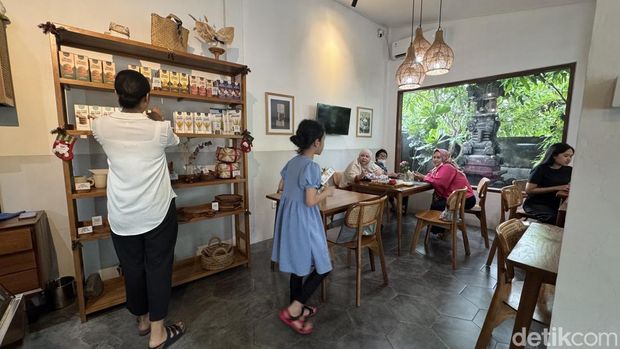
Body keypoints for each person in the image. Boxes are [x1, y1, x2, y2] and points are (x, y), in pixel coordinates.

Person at [91, 70, 185, 349]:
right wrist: (158, 118)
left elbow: (110, 130)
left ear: (116, 95)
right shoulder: (160, 129)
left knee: (132, 269)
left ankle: (142, 321)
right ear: (147, 98)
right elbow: (176, 141)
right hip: (157, 211)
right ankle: (158, 335)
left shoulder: (100, 125)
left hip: (122, 213)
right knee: (158, 268)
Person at [271, 119, 334, 335]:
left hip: (289, 220)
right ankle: (294, 309)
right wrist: (326, 192)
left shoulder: (293, 162)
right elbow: (310, 201)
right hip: (305, 222)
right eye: (323, 140)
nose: (323, 144)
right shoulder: (312, 166)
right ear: (316, 142)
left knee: (298, 265)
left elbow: (280, 187)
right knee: (324, 266)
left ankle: (295, 309)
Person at [414, 149, 476, 232]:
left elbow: (439, 183)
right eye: (434, 157)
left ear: (444, 158)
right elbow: (433, 177)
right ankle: (440, 230)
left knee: (436, 205)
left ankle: (439, 229)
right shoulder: (440, 168)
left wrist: (424, 177)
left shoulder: (447, 167)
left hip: (466, 200)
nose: (435, 159)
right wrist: (424, 177)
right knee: (438, 203)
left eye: (438, 157)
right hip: (461, 197)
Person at [523, 142, 574, 224]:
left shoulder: (569, 170)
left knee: (569, 216)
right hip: (537, 203)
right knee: (554, 218)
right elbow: (529, 190)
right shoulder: (540, 169)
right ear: (554, 155)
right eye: (565, 156)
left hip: (556, 202)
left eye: (571, 156)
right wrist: (557, 187)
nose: (569, 159)